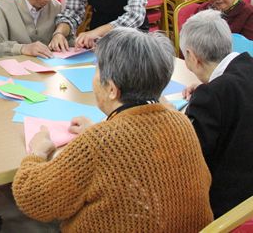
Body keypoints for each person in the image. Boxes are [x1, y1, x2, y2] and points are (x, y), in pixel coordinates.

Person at [13, 28, 213, 231]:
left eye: (97, 69)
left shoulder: (98, 143)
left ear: (111, 89)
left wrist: (37, 152)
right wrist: (99, 131)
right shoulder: (181, 122)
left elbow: (32, 198)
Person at [180, 9, 253, 217]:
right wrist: (210, 86)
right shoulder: (247, 66)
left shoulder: (211, 96)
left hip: (228, 208)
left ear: (192, 57)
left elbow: (190, 158)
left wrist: (172, 116)